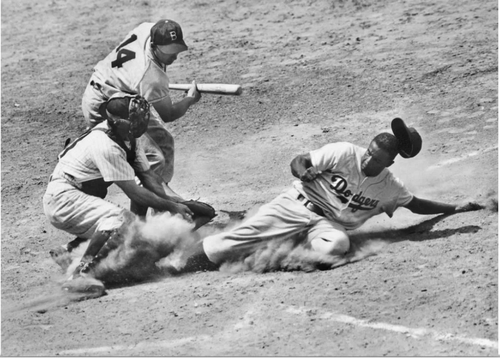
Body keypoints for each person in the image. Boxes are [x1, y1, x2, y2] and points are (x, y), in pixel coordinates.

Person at [189, 118, 484, 269]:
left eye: (376, 158)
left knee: (337, 246)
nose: (368, 159)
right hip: (296, 205)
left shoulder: (389, 186)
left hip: (325, 226)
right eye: (368, 152)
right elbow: (298, 161)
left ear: (388, 163)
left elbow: (416, 205)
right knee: (225, 246)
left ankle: (281, 249)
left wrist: (456, 208)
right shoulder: (343, 152)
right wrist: (304, 173)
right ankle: (178, 264)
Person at [44, 94, 196, 294]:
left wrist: (180, 201)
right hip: (63, 199)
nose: (140, 124)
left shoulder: (128, 137)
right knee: (120, 221)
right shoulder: (106, 145)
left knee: (127, 225)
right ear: (116, 122)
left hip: (79, 196)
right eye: (134, 120)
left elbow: (149, 178)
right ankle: (78, 275)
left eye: (141, 118)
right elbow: (135, 192)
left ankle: (68, 252)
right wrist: (172, 207)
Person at [81, 18, 201, 201]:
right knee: (149, 158)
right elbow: (168, 114)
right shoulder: (151, 78)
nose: (174, 56)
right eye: (169, 52)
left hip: (118, 91)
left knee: (163, 142)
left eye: (177, 49)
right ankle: (145, 214)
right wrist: (189, 100)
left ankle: (161, 198)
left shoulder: (148, 29)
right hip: (104, 105)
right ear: (153, 45)